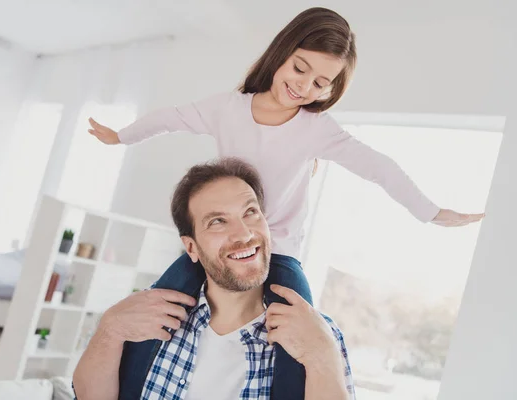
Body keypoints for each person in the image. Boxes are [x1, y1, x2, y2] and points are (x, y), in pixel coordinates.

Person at [87, 6, 484, 392]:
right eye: (300, 68)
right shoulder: (228, 108)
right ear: (281, 53)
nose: (304, 87)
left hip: (280, 253)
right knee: (156, 307)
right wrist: (121, 136)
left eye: (320, 83)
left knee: (301, 337)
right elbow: (169, 118)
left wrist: (429, 212)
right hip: (223, 249)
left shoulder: (316, 129)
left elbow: (377, 167)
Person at [73, 158, 355, 400]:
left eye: (250, 212)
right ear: (191, 247)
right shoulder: (147, 315)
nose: (244, 233)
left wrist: (322, 358)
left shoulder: (318, 333)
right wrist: (109, 330)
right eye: (217, 221)